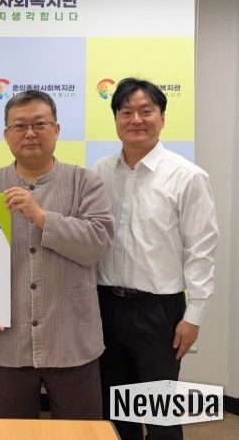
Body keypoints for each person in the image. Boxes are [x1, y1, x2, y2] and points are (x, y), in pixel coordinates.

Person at [0, 90, 114, 419]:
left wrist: (41, 216)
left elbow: (97, 242)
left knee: (81, 434)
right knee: (8, 434)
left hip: (72, 341)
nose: (30, 133)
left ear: (57, 129)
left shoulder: (85, 182)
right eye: (19, 126)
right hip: (8, 343)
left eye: (39, 124)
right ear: (6, 134)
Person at [93, 77, 218, 440]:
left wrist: (194, 316)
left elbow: (202, 249)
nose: (136, 119)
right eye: (126, 112)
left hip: (158, 311)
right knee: (115, 410)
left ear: (162, 118)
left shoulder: (188, 177)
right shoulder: (99, 173)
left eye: (146, 111)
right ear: (116, 119)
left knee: (160, 417)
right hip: (104, 306)